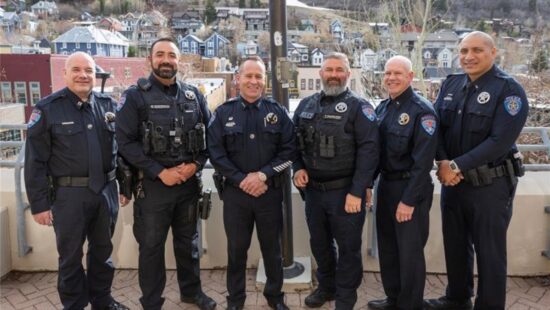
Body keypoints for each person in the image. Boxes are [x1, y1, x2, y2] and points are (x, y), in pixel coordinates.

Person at [424, 31, 528, 309]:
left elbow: (500, 141)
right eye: (464, 51)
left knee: (489, 252)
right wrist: (444, 163)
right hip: (454, 183)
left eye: (477, 50)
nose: (469, 57)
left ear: (493, 53)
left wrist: (455, 165)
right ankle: (457, 298)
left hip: (490, 186)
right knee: (455, 245)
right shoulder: (451, 85)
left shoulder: (509, 90)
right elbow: (436, 129)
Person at [115, 38, 215, 310]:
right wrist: (159, 172)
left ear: (178, 61)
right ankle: (151, 302)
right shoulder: (135, 96)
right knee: (151, 248)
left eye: (172, 55)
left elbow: (212, 138)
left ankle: (192, 293)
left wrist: (196, 165)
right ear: (150, 60)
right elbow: (125, 142)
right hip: (153, 187)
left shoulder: (194, 96)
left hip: (187, 185)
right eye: (160, 54)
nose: (166, 60)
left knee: (188, 244)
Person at [24, 52, 129, 310]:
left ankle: (102, 302)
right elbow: (35, 161)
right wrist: (39, 204)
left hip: (105, 192)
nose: (83, 75)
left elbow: (120, 150)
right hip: (68, 196)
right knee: (70, 257)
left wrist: (124, 187)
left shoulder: (108, 105)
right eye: (77, 70)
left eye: (89, 71)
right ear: (65, 73)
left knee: (103, 254)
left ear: (95, 75)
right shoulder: (48, 109)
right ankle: (74, 305)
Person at [207, 56, 296, 310]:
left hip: (269, 193)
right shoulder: (223, 113)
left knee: (273, 252)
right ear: (238, 78)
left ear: (264, 80)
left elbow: (289, 150)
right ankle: (235, 300)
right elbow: (215, 152)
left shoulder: (277, 112)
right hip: (236, 196)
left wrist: (263, 175)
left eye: (259, 76)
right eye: (249, 76)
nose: (254, 81)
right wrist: (241, 179)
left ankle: (274, 298)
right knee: (236, 251)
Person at [292, 52, 379, 310]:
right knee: (319, 244)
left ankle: (345, 298)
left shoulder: (360, 108)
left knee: (349, 249)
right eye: (328, 69)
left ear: (348, 74)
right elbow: (293, 143)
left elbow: (370, 151)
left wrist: (357, 191)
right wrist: (297, 168)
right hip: (314, 193)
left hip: (346, 192)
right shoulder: (306, 105)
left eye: (339, 70)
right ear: (320, 73)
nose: (333, 75)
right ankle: (326, 288)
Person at [366, 56, 437, 310]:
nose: (391, 78)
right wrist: (367, 185)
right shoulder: (383, 107)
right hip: (386, 185)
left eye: (398, 73)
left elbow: (423, 164)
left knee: (409, 253)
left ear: (410, 77)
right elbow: (374, 153)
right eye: (387, 73)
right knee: (388, 248)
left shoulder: (423, 111)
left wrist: (408, 200)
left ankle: (410, 304)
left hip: (410, 189)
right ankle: (393, 298)